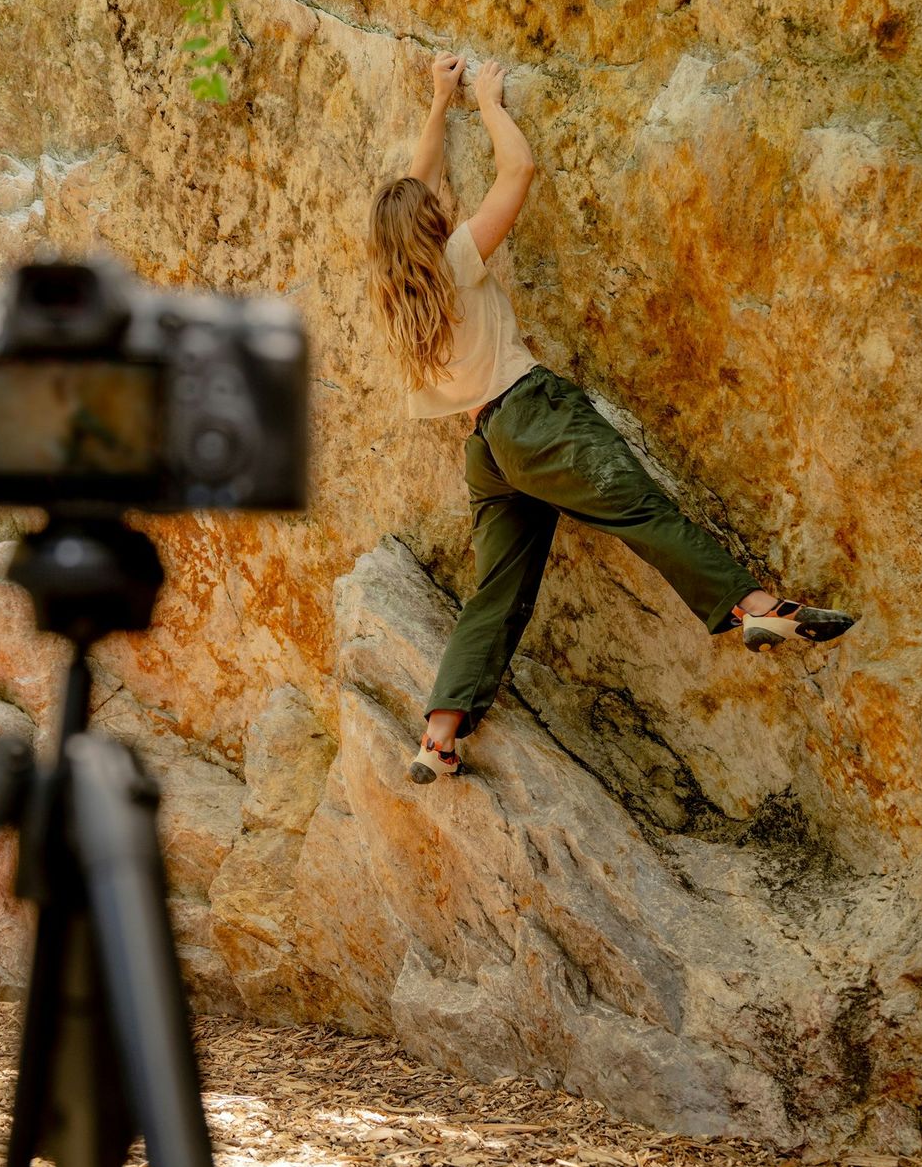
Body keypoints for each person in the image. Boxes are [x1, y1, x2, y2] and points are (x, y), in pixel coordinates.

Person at [367, 51, 856, 784]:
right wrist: (492, 105)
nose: (442, 203)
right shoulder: (457, 259)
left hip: (488, 450)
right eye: (435, 208)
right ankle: (753, 605)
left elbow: (419, 182)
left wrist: (440, 103)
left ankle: (438, 735)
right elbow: (517, 176)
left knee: (494, 594)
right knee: (642, 511)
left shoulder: (400, 294)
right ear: (431, 228)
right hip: (533, 419)